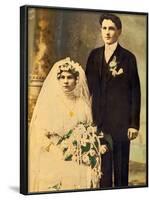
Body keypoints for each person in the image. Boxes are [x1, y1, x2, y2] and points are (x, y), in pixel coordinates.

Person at [29, 57, 105, 192]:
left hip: (77, 156)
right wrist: (55, 150)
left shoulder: (83, 105)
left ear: (77, 80)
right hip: (53, 154)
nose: (65, 81)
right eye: (62, 77)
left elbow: (89, 131)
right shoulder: (50, 104)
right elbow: (39, 134)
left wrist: (90, 147)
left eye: (69, 77)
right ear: (57, 80)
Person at [86, 13, 141, 187]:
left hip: (121, 124)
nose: (107, 32)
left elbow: (135, 92)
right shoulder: (94, 56)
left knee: (120, 172)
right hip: (99, 122)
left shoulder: (128, 57)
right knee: (103, 171)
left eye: (111, 28)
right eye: (104, 28)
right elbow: (87, 89)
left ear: (119, 31)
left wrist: (134, 124)